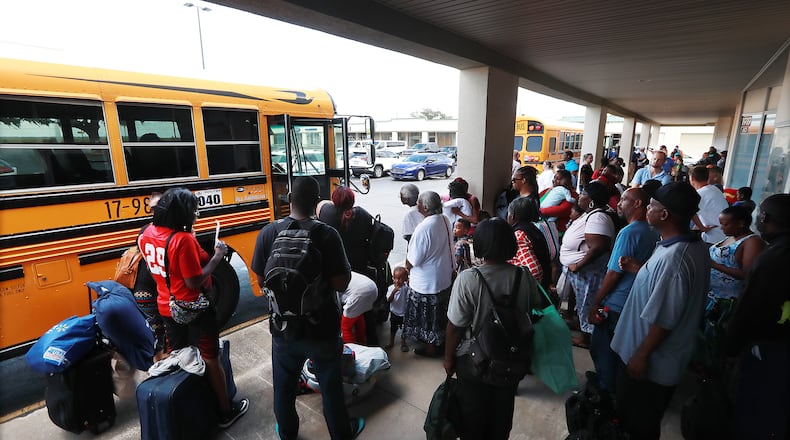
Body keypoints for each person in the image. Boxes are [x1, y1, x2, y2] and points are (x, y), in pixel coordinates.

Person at [250, 176, 364, 440]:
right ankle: (341, 434)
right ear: (316, 203)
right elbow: (341, 283)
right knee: (331, 390)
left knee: (284, 390)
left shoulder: (268, 232)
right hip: (322, 328)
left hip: (283, 330)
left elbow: (260, 281)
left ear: (289, 200)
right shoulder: (327, 235)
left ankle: (288, 434)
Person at [138, 188, 249, 429]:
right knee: (210, 358)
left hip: (167, 307)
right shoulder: (182, 240)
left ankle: (185, 409)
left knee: (181, 356)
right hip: (194, 307)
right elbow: (194, 281)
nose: (196, 215)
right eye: (193, 212)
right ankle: (225, 412)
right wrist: (218, 255)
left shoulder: (146, 234)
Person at [610, 182, 710, 440]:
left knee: (637, 426)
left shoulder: (674, 260)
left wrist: (641, 356)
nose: (647, 210)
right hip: (650, 359)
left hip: (649, 366)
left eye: (652, 206)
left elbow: (664, 319)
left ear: (664, 214)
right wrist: (639, 269)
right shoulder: (684, 246)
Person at [444, 218, 547, 440]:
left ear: (480, 245)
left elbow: (455, 326)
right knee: (502, 416)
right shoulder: (523, 276)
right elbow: (534, 308)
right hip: (511, 359)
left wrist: (448, 358)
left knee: (472, 417)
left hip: (472, 361)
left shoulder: (468, 279)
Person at [726, 193, 790, 439]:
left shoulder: (772, 258)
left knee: (756, 411)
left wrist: (730, 348)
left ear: (765, 217)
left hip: (768, 347)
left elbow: (748, 307)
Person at [587, 188, 659, 392]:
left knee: (603, 349)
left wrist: (596, 302)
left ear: (638, 204)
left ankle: (606, 394)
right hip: (637, 301)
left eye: (624, 199)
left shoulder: (629, 232)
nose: (619, 204)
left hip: (617, 303)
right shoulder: (652, 230)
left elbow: (614, 273)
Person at [559, 182, 616, 348]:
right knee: (583, 304)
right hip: (583, 272)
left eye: (583, 194)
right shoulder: (591, 214)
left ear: (591, 200)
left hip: (588, 273)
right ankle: (585, 334)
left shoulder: (598, 217)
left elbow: (598, 246)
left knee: (588, 303)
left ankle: (587, 339)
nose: (579, 196)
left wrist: (578, 265)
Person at [403, 191, 454, 357]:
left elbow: (413, 259)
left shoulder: (424, 227)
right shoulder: (444, 219)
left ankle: (431, 347)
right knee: (439, 314)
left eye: (418, 202)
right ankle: (439, 341)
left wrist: (406, 270)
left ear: (425, 207)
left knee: (428, 318)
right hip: (443, 277)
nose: (417, 204)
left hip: (426, 283)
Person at [318, 186, 374, 275]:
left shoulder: (326, 212)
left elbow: (321, 204)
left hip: (334, 268)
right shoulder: (363, 214)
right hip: (359, 267)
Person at [506, 196, 552, 292]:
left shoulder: (519, 235)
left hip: (530, 293)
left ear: (512, 216)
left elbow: (534, 271)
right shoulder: (533, 229)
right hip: (542, 286)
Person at [689, 165, 729, 244]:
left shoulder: (699, 194)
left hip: (714, 239)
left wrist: (702, 228)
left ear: (692, 178)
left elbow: (689, 212)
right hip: (725, 235)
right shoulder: (715, 190)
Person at [339, 272, 378, 345]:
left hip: (360, 293)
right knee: (358, 315)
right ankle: (362, 343)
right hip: (373, 288)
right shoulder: (342, 269)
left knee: (345, 327)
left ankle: (353, 352)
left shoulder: (328, 278)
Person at [385, 266, 410, 352]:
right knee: (393, 328)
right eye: (395, 278)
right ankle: (391, 342)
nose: (397, 281)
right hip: (394, 313)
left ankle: (403, 343)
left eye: (399, 279)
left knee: (404, 329)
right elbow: (389, 300)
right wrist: (393, 292)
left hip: (404, 313)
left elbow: (409, 298)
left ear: (405, 279)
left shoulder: (406, 288)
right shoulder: (391, 288)